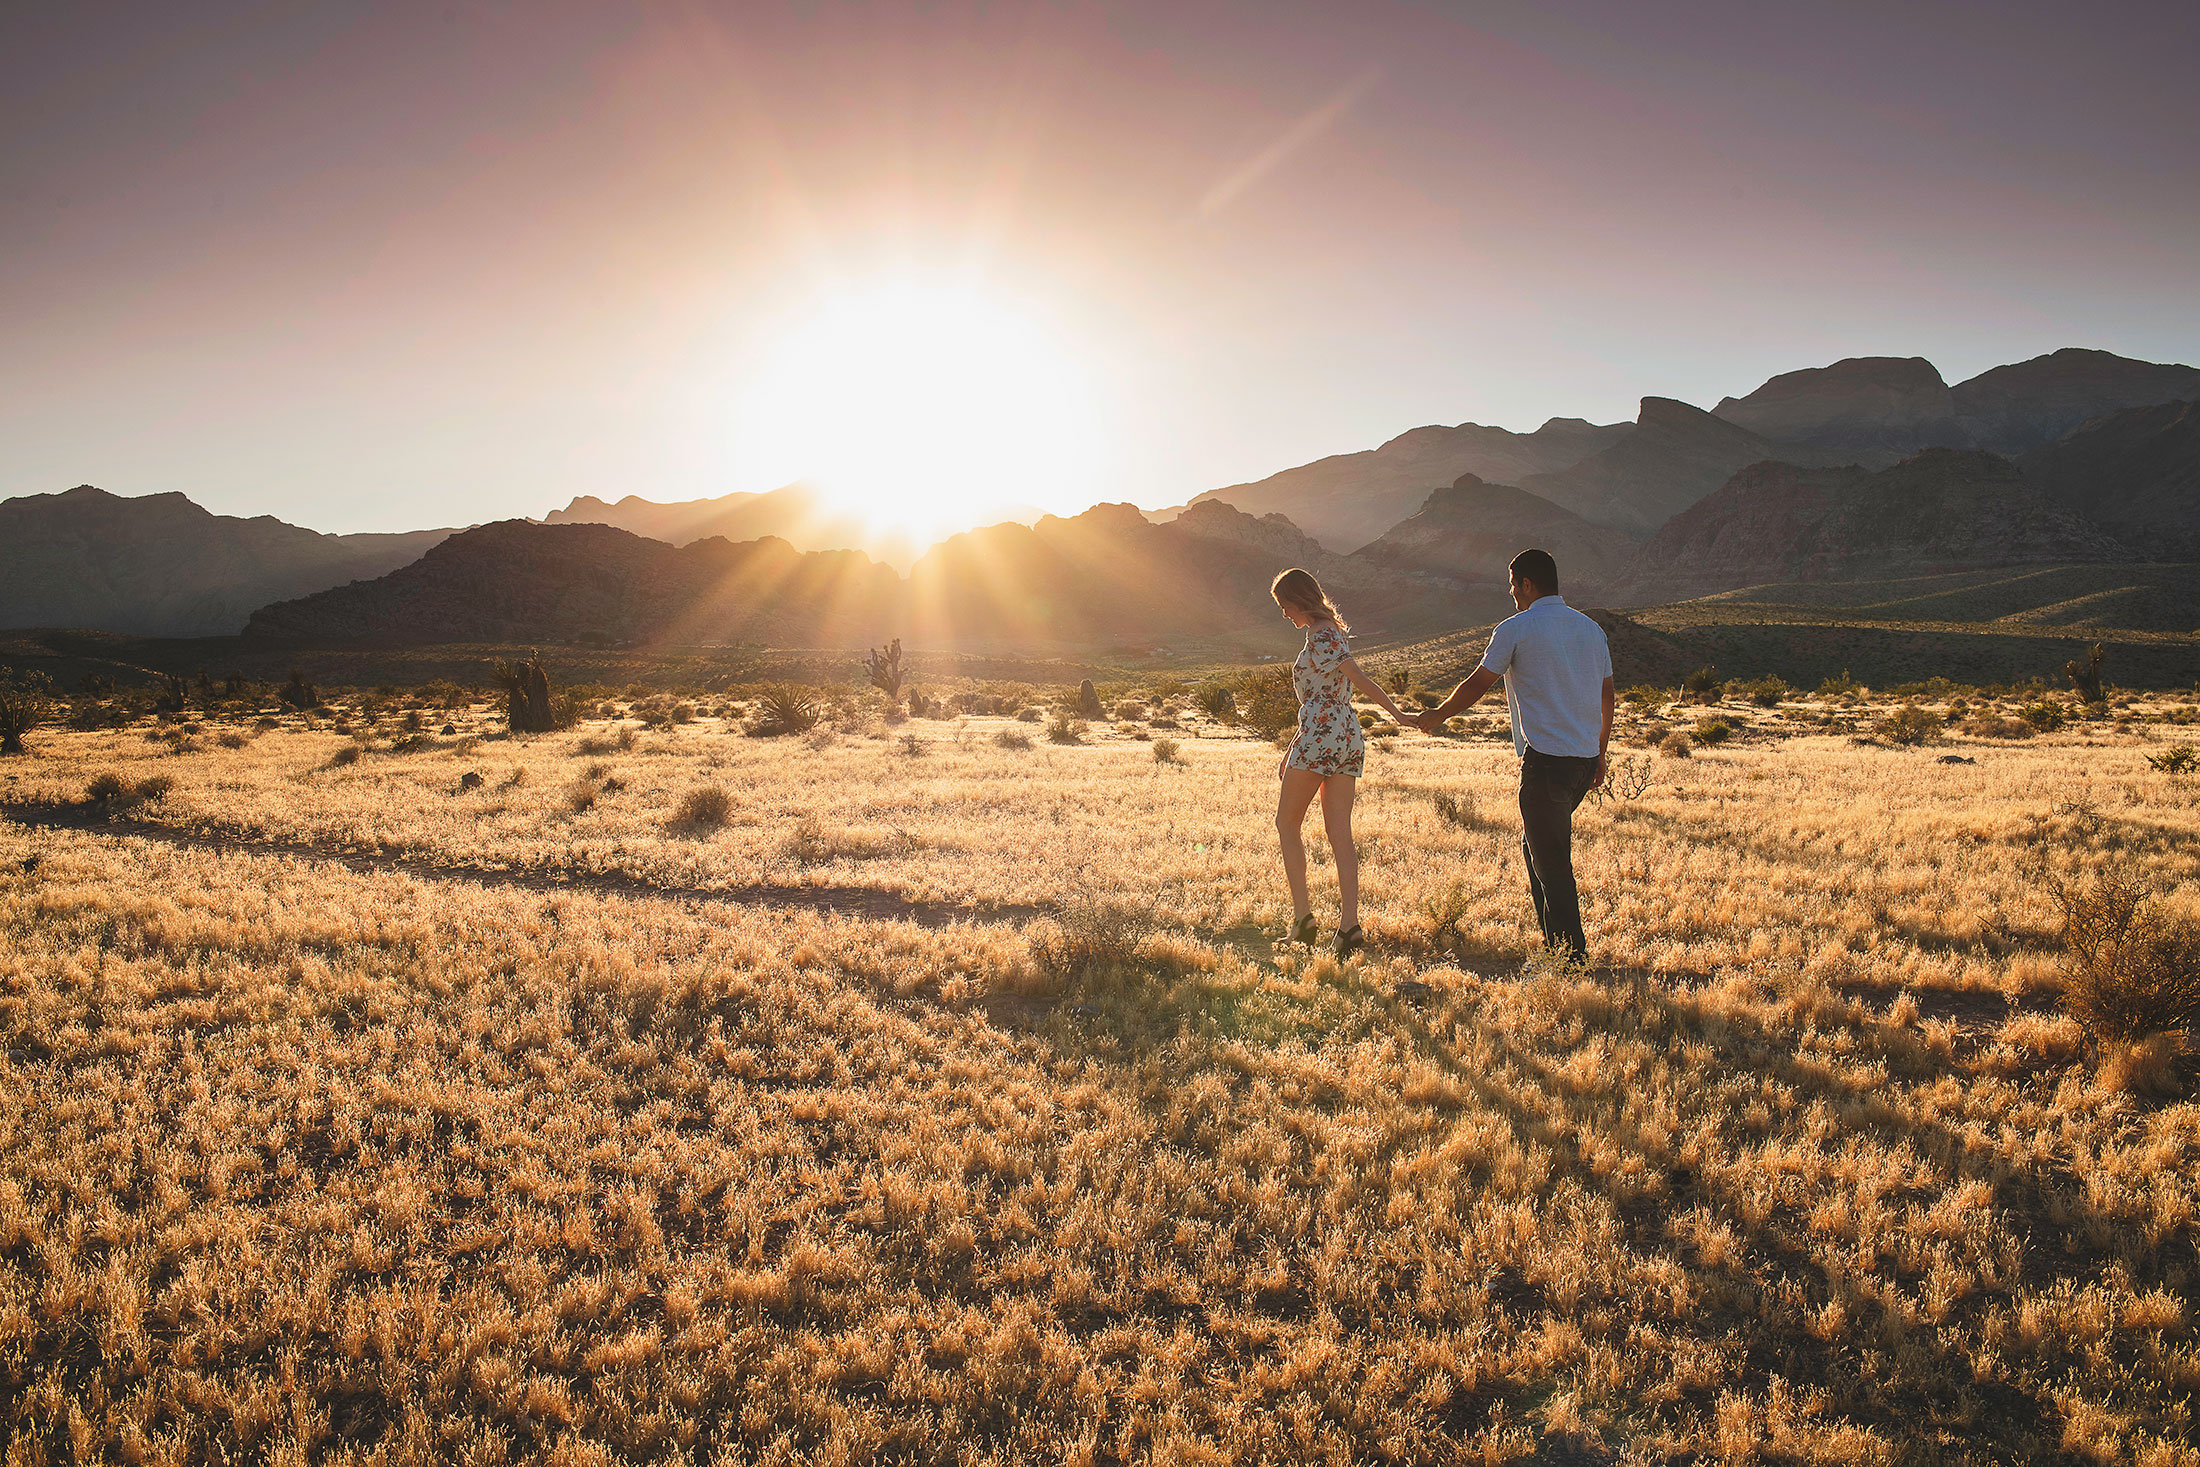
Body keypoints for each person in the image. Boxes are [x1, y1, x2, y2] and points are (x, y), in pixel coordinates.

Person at [1410, 549, 1613, 962]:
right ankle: (1555, 948)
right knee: (1536, 849)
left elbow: (1477, 684)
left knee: (1552, 863)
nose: (1511, 593)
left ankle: (1570, 962)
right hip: (1581, 761)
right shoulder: (1591, 629)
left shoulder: (1516, 628)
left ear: (1527, 584)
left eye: (1512, 585)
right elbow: (1607, 694)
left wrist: (1437, 715)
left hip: (1547, 765)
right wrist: (1600, 752)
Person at [1271, 567, 1408, 959]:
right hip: (1344, 735)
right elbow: (1330, 694)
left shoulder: (1321, 633)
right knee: (1339, 832)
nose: (1284, 614)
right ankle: (1348, 927)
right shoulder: (1333, 631)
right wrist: (1293, 744)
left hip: (1321, 734)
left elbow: (1357, 677)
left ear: (1301, 599)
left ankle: (1303, 920)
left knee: (1286, 823)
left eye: (1285, 605)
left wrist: (1396, 712)